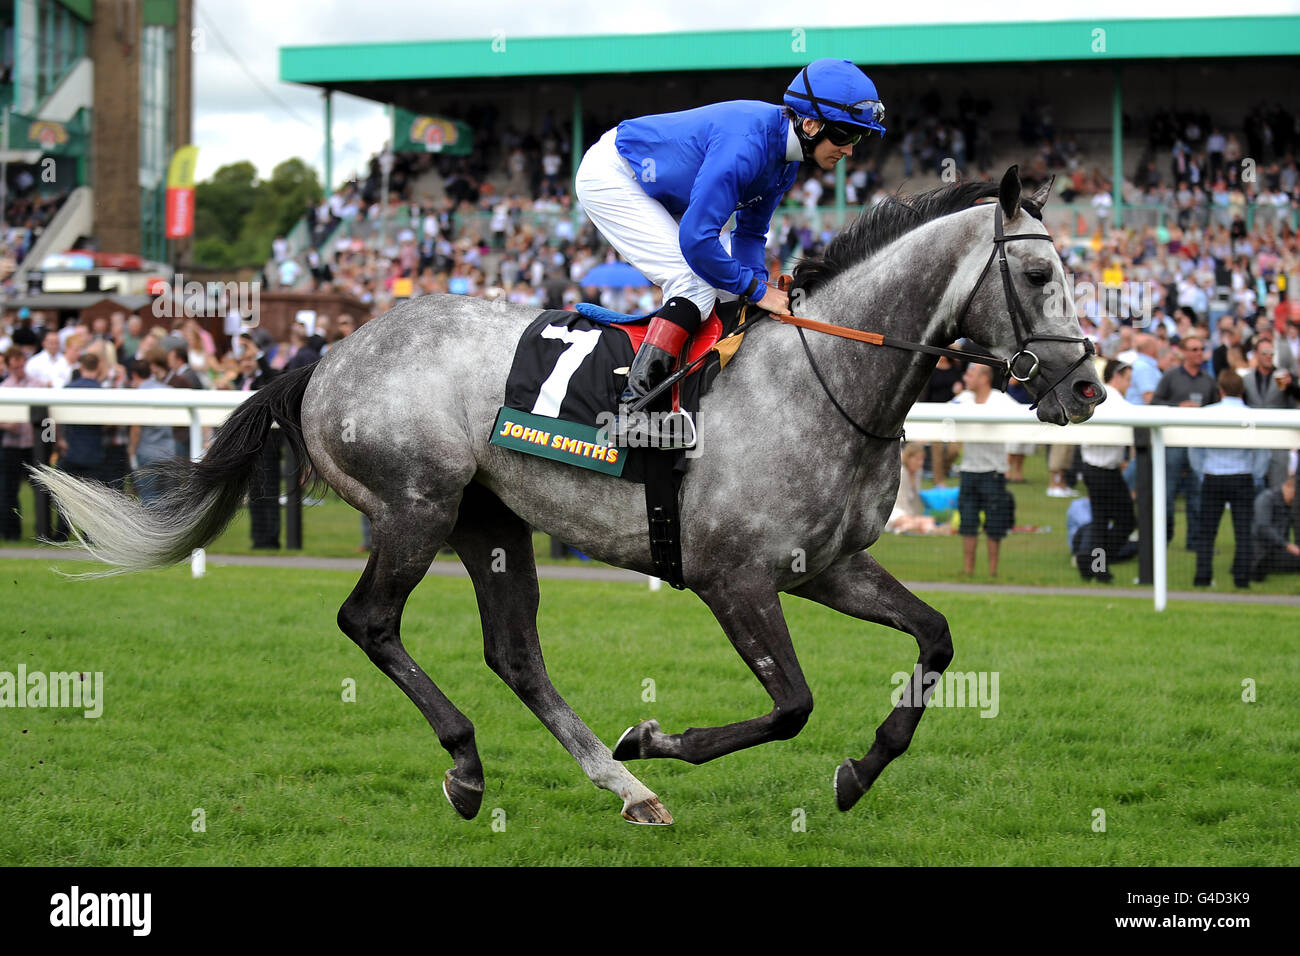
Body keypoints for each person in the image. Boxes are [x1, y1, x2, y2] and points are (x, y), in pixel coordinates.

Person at [574, 58, 886, 446]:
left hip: (660, 187)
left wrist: (756, 288)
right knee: (693, 283)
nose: (850, 150)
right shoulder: (746, 147)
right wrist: (757, 291)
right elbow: (697, 241)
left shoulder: (786, 161)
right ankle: (633, 411)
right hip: (613, 174)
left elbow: (751, 234)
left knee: (727, 290)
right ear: (811, 125)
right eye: (847, 136)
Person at [1189, 371, 1271, 589]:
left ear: (1220, 390)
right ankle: (1242, 579)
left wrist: (1201, 471)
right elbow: (1263, 452)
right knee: (1243, 531)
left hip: (1213, 475)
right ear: (1242, 390)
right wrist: (1256, 474)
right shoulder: (1251, 414)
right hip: (1242, 476)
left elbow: (1194, 448)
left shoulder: (1207, 413)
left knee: (1207, 531)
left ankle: (1202, 577)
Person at [1151, 334, 1219, 550]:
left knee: (1197, 494)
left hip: (1199, 445)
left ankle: (1195, 541)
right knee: (1167, 492)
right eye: (1194, 349)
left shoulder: (1208, 380)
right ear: (1184, 352)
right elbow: (1155, 403)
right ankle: (1164, 537)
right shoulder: (1170, 377)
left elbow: (1217, 410)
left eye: (1201, 349)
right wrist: (1178, 407)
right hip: (1173, 444)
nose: (1199, 353)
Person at [953, 364, 1017, 576]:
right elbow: (942, 415)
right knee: (968, 522)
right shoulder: (963, 399)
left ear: (984, 378)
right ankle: (967, 571)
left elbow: (1021, 420)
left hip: (994, 473)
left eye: (970, 374)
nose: (966, 377)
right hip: (968, 471)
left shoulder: (1002, 401)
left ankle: (992, 572)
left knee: (995, 524)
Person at [1078, 360, 1137, 582]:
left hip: (1092, 469)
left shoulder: (1096, 397)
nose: (1129, 385)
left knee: (1101, 521)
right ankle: (1093, 561)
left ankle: (1096, 565)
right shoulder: (1118, 402)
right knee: (1125, 521)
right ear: (1118, 376)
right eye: (1128, 380)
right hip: (1105, 472)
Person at [0, 347, 37, 540]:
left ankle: (44, 531)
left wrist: (50, 442)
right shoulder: (5, 388)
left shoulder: (36, 385)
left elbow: (48, 419)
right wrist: (7, 424)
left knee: (41, 489)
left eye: (21, 364)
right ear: (9, 366)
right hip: (11, 445)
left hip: (33, 445)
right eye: (15, 366)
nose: (19, 369)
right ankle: (11, 533)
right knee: (9, 491)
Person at [128, 356, 175, 506]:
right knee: (168, 501)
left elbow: (136, 426)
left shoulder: (138, 394)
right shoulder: (168, 390)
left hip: (147, 453)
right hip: (169, 451)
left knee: (149, 500)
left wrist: (131, 450)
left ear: (134, 375)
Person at [1251, 477, 1300, 580]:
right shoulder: (1266, 499)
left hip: (1277, 549)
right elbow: (1263, 528)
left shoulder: (1288, 504)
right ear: (1289, 488)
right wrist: (1287, 545)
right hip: (1262, 548)